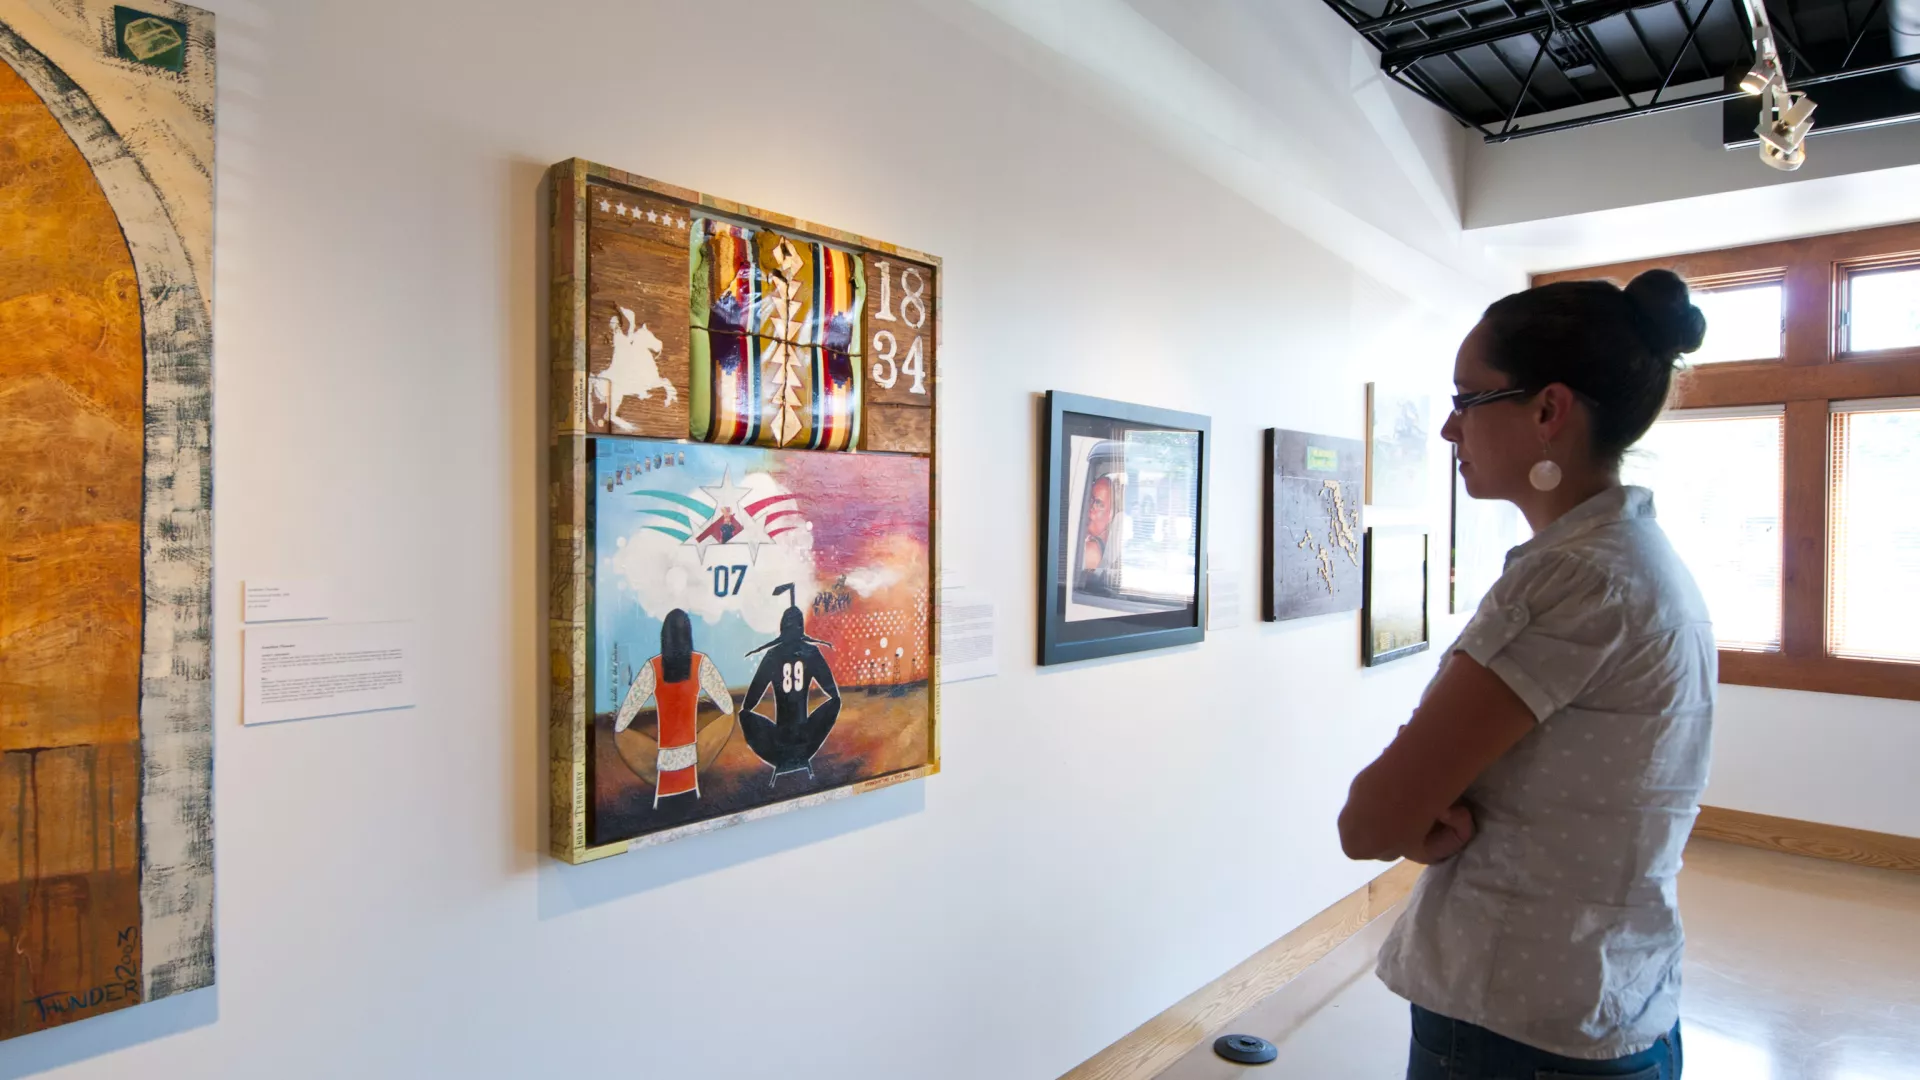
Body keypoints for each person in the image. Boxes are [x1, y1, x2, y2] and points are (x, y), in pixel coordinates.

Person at [1338, 269, 1715, 1080]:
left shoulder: (1580, 580)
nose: (1447, 429)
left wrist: (1415, 817)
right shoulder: (1634, 560)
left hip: (1515, 1024)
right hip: (1608, 1002)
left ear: (1548, 411)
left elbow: (1369, 821)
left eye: (1467, 399)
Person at [615, 608, 735, 808]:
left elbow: (621, 723)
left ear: (664, 637)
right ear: (689, 635)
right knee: (728, 717)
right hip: (691, 758)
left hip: (664, 763)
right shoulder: (701, 664)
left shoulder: (652, 668)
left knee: (619, 734)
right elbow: (728, 707)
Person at [1082, 475, 1115, 572]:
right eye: (1090, 499)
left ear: (1111, 515)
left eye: (1098, 503)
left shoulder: (1090, 551)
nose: (1090, 507)